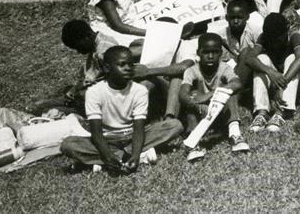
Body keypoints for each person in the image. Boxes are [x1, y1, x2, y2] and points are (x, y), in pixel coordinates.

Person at [59, 46, 184, 174]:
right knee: (68, 144)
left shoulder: (139, 91)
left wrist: (135, 156)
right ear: (107, 68)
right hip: (108, 139)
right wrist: (108, 156)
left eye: (130, 64)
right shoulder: (94, 93)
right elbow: (96, 133)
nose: (128, 68)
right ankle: (136, 155)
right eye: (122, 65)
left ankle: (115, 158)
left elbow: (138, 127)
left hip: (133, 136)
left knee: (174, 125)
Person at [180, 34, 249, 162]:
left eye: (215, 52)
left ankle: (235, 133)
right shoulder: (192, 71)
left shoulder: (224, 68)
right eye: (206, 52)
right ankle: (194, 143)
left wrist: (211, 94)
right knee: (193, 93)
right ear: (198, 53)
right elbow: (183, 95)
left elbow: (237, 83)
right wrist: (195, 102)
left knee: (229, 91)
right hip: (201, 113)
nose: (210, 56)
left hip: (220, 112)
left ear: (221, 53)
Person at [58, 19, 120, 114]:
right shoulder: (100, 42)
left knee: (49, 109)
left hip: (106, 102)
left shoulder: (103, 52)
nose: (78, 51)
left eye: (78, 47)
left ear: (88, 36)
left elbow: (108, 82)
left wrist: (77, 91)